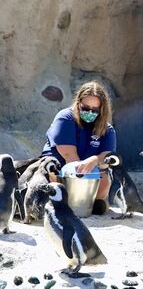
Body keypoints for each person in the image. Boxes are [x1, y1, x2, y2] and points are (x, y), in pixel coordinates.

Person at [41, 80, 116, 215]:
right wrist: (81, 183)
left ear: (101, 110)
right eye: (85, 108)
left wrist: (95, 160)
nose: (89, 112)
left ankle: (90, 202)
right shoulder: (65, 118)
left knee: (105, 180)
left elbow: (108, 158)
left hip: (87, 175)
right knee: (51, 178)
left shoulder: (107, 130)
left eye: (94, 110)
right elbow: (70, 157)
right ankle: (79, 202)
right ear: (78, 103)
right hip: (61, 170)